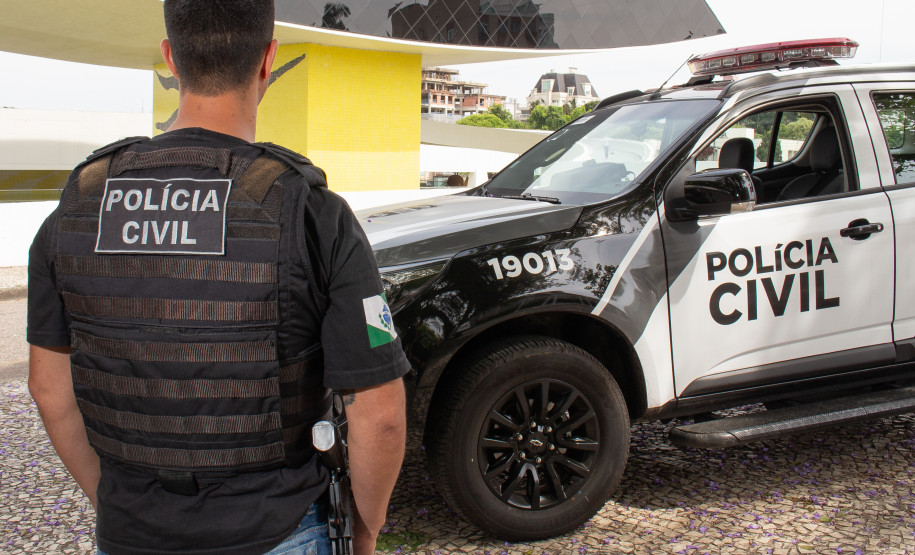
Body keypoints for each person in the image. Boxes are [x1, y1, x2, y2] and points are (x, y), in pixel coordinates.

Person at [26, 1, 409, 553]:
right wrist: (366, 530)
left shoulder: (79, 206)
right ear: (268, 61)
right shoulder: (311, 211)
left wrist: (114, 503)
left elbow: (48, 389)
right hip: (280, 532)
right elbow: (379, 413)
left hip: (131, 530)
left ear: (170, 60)